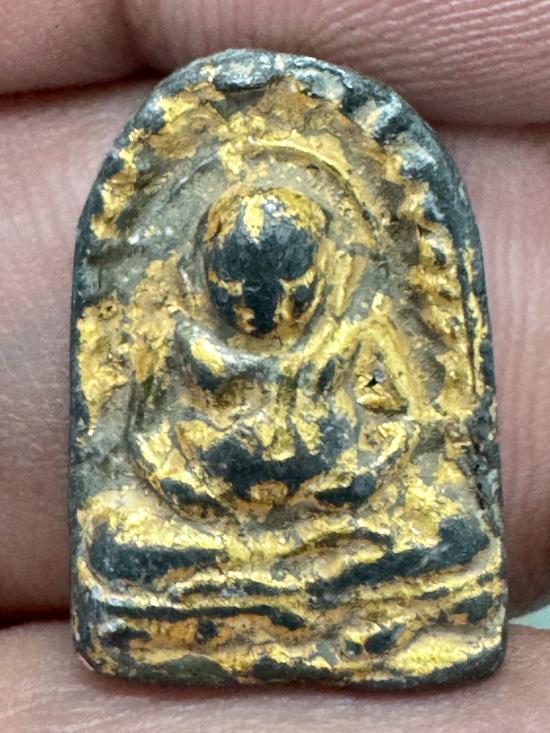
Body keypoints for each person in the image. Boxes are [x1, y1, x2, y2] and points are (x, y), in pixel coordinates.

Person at [1, 1, 550, 729]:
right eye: (238, 296)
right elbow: (140, 438)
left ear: (321, 274)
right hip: (209, 519)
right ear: (207, 280)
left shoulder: (357, 332)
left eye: (289, 294)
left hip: (339, 515)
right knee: (117, 546)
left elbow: (409, 427)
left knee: (449, 537)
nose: (264, 316)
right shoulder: (182, 342)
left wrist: (359, 474)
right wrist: (192, 483)